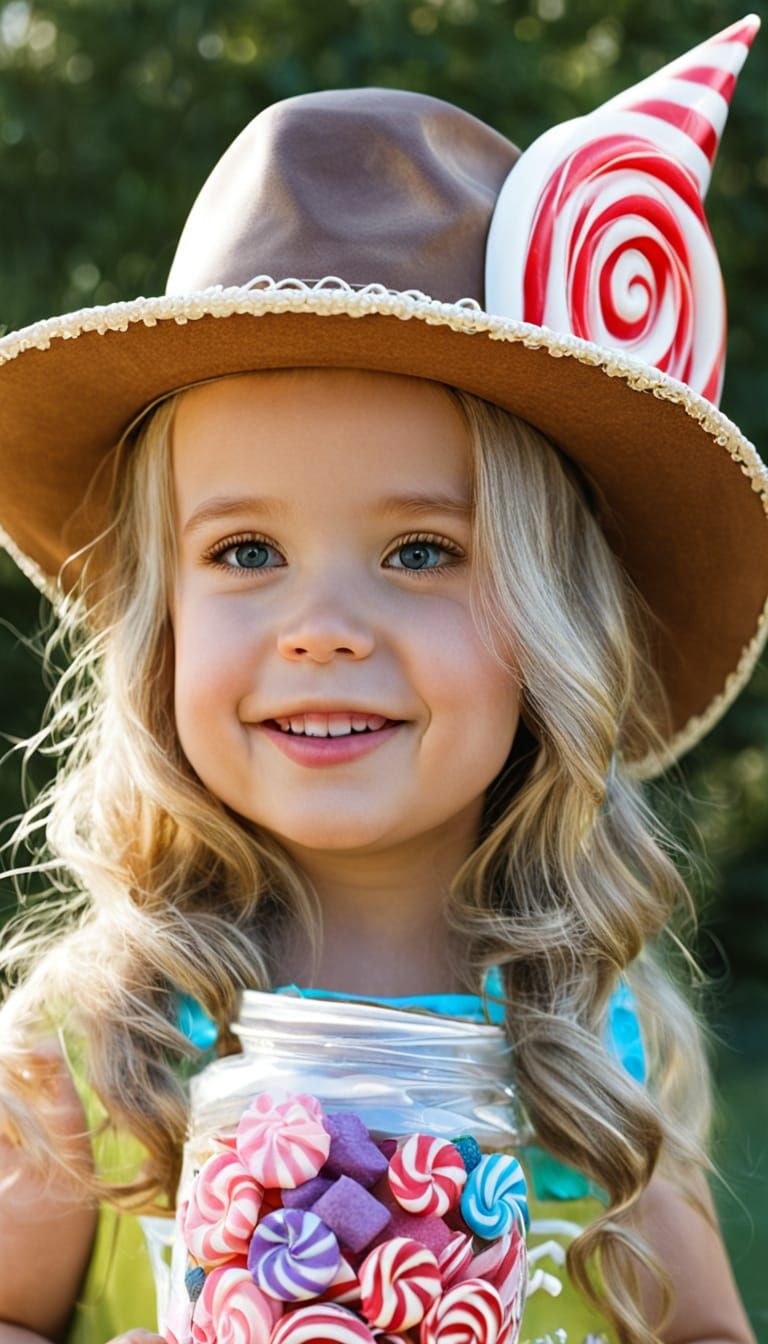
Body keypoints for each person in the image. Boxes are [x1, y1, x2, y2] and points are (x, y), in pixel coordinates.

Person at [0, 15, 763, 1344]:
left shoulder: (591, 1040)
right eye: (245, 551)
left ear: (555, 625)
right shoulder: (103, 1033)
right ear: (160, 619)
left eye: (420, 551)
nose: (322, 627)